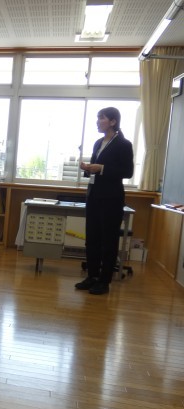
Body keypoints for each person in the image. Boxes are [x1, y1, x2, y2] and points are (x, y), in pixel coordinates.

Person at [76, 107, 134, 295]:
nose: (97, 121)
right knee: (92, 238)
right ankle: (92, 276)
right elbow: (95, 171)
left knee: (108, 241)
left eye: (101, 118)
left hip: (111, 198)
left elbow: (127, 172)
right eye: (98, 118)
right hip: (94, 196)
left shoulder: (124, 144)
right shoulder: (98, 143)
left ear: (113, 122)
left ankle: (104, 281)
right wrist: (87, 168)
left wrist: (101, 168)